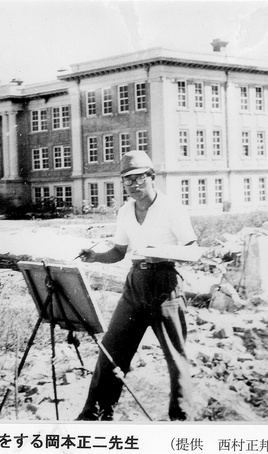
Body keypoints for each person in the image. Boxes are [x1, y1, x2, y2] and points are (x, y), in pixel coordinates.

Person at [75, 150, 197, 422]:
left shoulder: (172, 209)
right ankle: (95, 414)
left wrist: (161, 251)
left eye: (139, 178)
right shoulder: (125, 211)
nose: (133, 185)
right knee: (111, 349)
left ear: (152, 177)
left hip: (165, 285)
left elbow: (193, 251)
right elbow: (119, 252)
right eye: (127, 180)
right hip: (135, 285)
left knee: (175, 356)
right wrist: (96, 256)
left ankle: (181, 420)